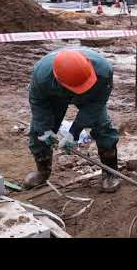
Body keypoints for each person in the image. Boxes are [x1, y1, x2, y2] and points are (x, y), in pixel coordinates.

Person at [23, 48, 120, 193]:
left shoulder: (104, 71)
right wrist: (45, 129)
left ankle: (110, 171)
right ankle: (42, 171)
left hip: (91, 93)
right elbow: (38, 102)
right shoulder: (42, 75)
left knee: (102, 127)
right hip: (55, 94)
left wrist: (74, 133)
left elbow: (96, 105)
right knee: (38, 131)